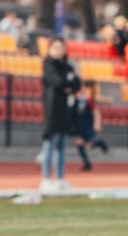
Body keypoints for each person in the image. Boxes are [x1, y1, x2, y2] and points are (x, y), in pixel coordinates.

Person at [40, 37, 81, 192]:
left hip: (65, 110)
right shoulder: (48, 65)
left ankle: (60, 179)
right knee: (49, 144)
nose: (58, 51)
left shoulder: (67, 66)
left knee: (61, 146)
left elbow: (77, 83)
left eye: (61, 48)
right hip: (52, 109)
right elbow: (56, 82)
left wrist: (68, 85)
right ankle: (45, 178)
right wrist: (67, 84)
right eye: (55, 48)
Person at [70, 85, 108, 171]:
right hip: (79, 126)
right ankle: (87, 163)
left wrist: (97, 124)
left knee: (89, 145)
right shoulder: (76, 100)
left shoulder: (88, 100)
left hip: (87, 125)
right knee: (79, 144)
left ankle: (99, 143)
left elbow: (96, 112)